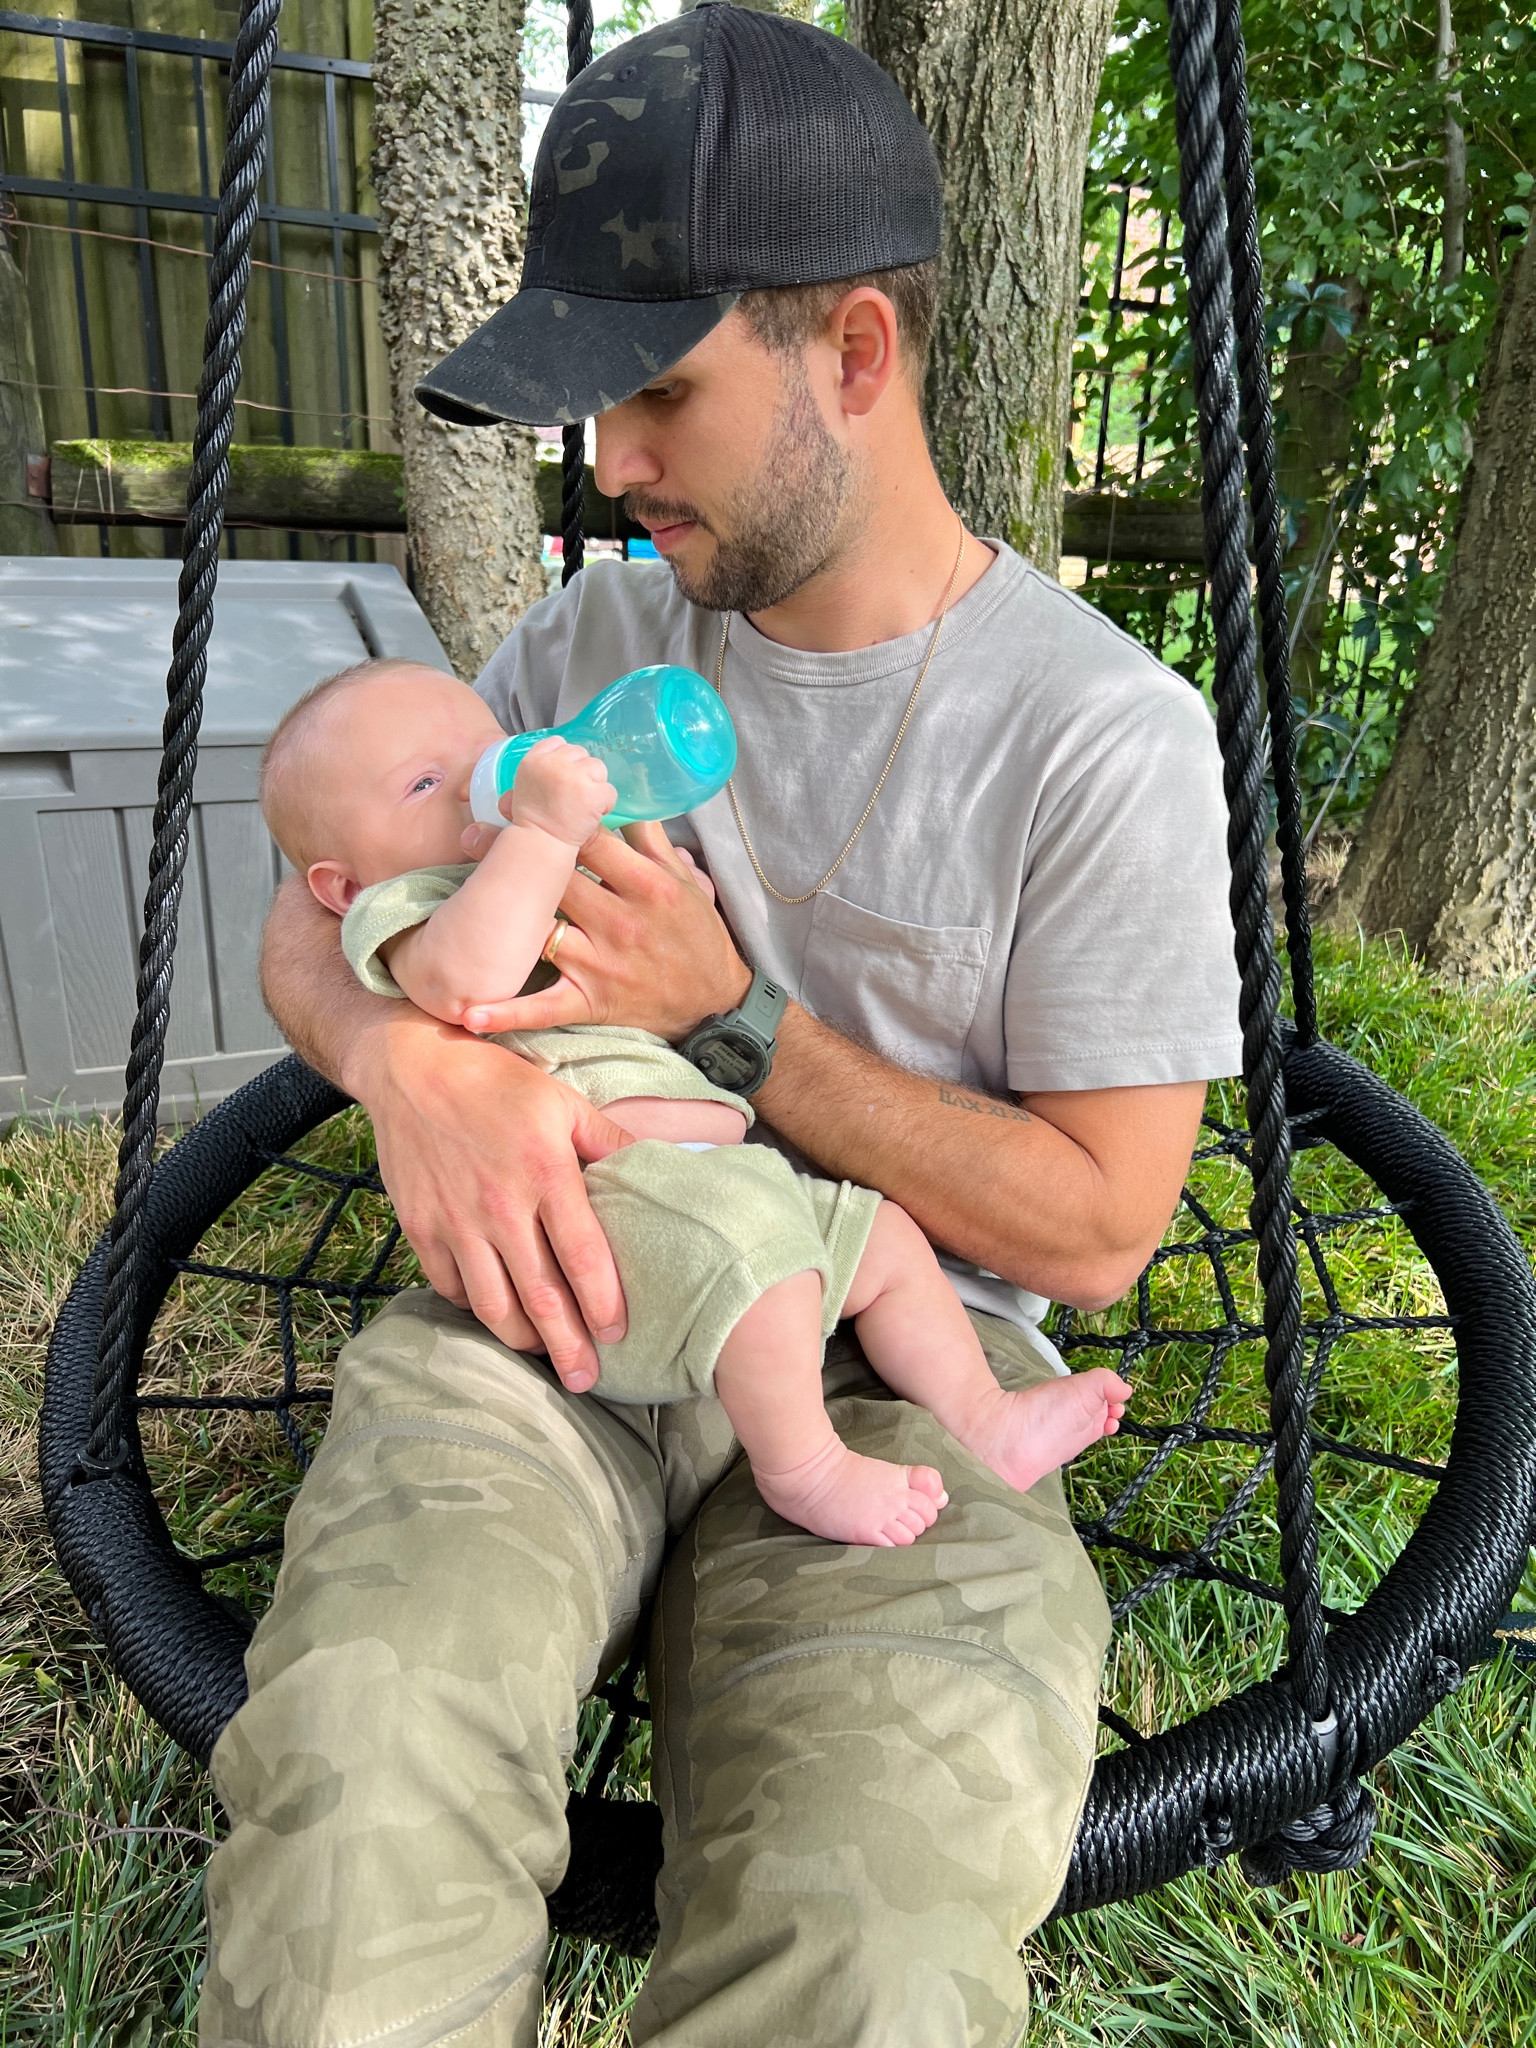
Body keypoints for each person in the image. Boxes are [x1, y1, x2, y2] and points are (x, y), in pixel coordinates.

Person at [200, 7, 1243, 2044]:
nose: (609, 465)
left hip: (894, 1379)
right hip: (558, 1313)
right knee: (358, 1783)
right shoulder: (592, 638)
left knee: (864, 1932)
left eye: (659, 395)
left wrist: (743, 1023)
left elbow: (1101, 1227)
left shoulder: (1101, 738)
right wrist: (402, 1058)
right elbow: (320, 924)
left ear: (855, 353)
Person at [259, 658, 1134, 1547]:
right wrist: (543, 832)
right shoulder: (411, 908)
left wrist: (673, 900)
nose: (481, 785)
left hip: (721, 1185)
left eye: (486, 749)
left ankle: (985, 1417)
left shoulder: (538, 864)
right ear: (343, 888)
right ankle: (805, 1467)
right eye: (421, 783)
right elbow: (466, 977)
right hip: (615, 1217)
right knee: (764, 1268)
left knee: (886, 1241)